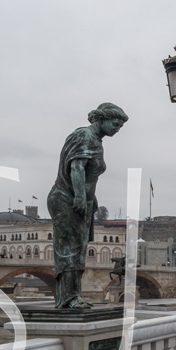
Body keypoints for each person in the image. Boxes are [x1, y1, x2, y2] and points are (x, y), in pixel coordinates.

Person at [48, 103, 128, 308]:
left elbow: (87, 175)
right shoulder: (85, 136)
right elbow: (76, 168)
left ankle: (72, 296)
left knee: (78, 248)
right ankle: (69, 298)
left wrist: (90, 198)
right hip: (67, 199)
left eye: (120, 127)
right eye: (115, 124)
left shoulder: (96, 141)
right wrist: (80, 197)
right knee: (70, 248)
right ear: (101, 119)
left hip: (80, 200)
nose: (117, 129)